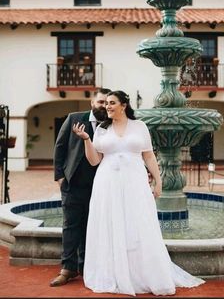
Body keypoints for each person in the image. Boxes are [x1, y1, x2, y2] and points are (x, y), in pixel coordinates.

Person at [73, 90, 205, 296]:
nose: (107, 106)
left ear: (124, 105)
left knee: (138, 224)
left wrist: (158, 181)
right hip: (107, 183)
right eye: (106, 103)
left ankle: (141, 273)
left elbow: (149, 156)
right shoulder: (100, 129)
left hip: (135, 182)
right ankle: (114, 273)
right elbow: (94, 161)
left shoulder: (140, 126)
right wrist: (86, 140)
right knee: (111, 223)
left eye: (112, 103)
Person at [50, 87, 111, 287]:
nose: (104, 106)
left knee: (92, 225)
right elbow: (60, 147)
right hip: (73, 183)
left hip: (101, 185)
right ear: (92, 103)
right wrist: (60, 176)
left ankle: (86, 268)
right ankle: (67, 269)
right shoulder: (74, 118)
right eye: (101, 102)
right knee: (71, 225)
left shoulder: (112, 125)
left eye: (107, 102)